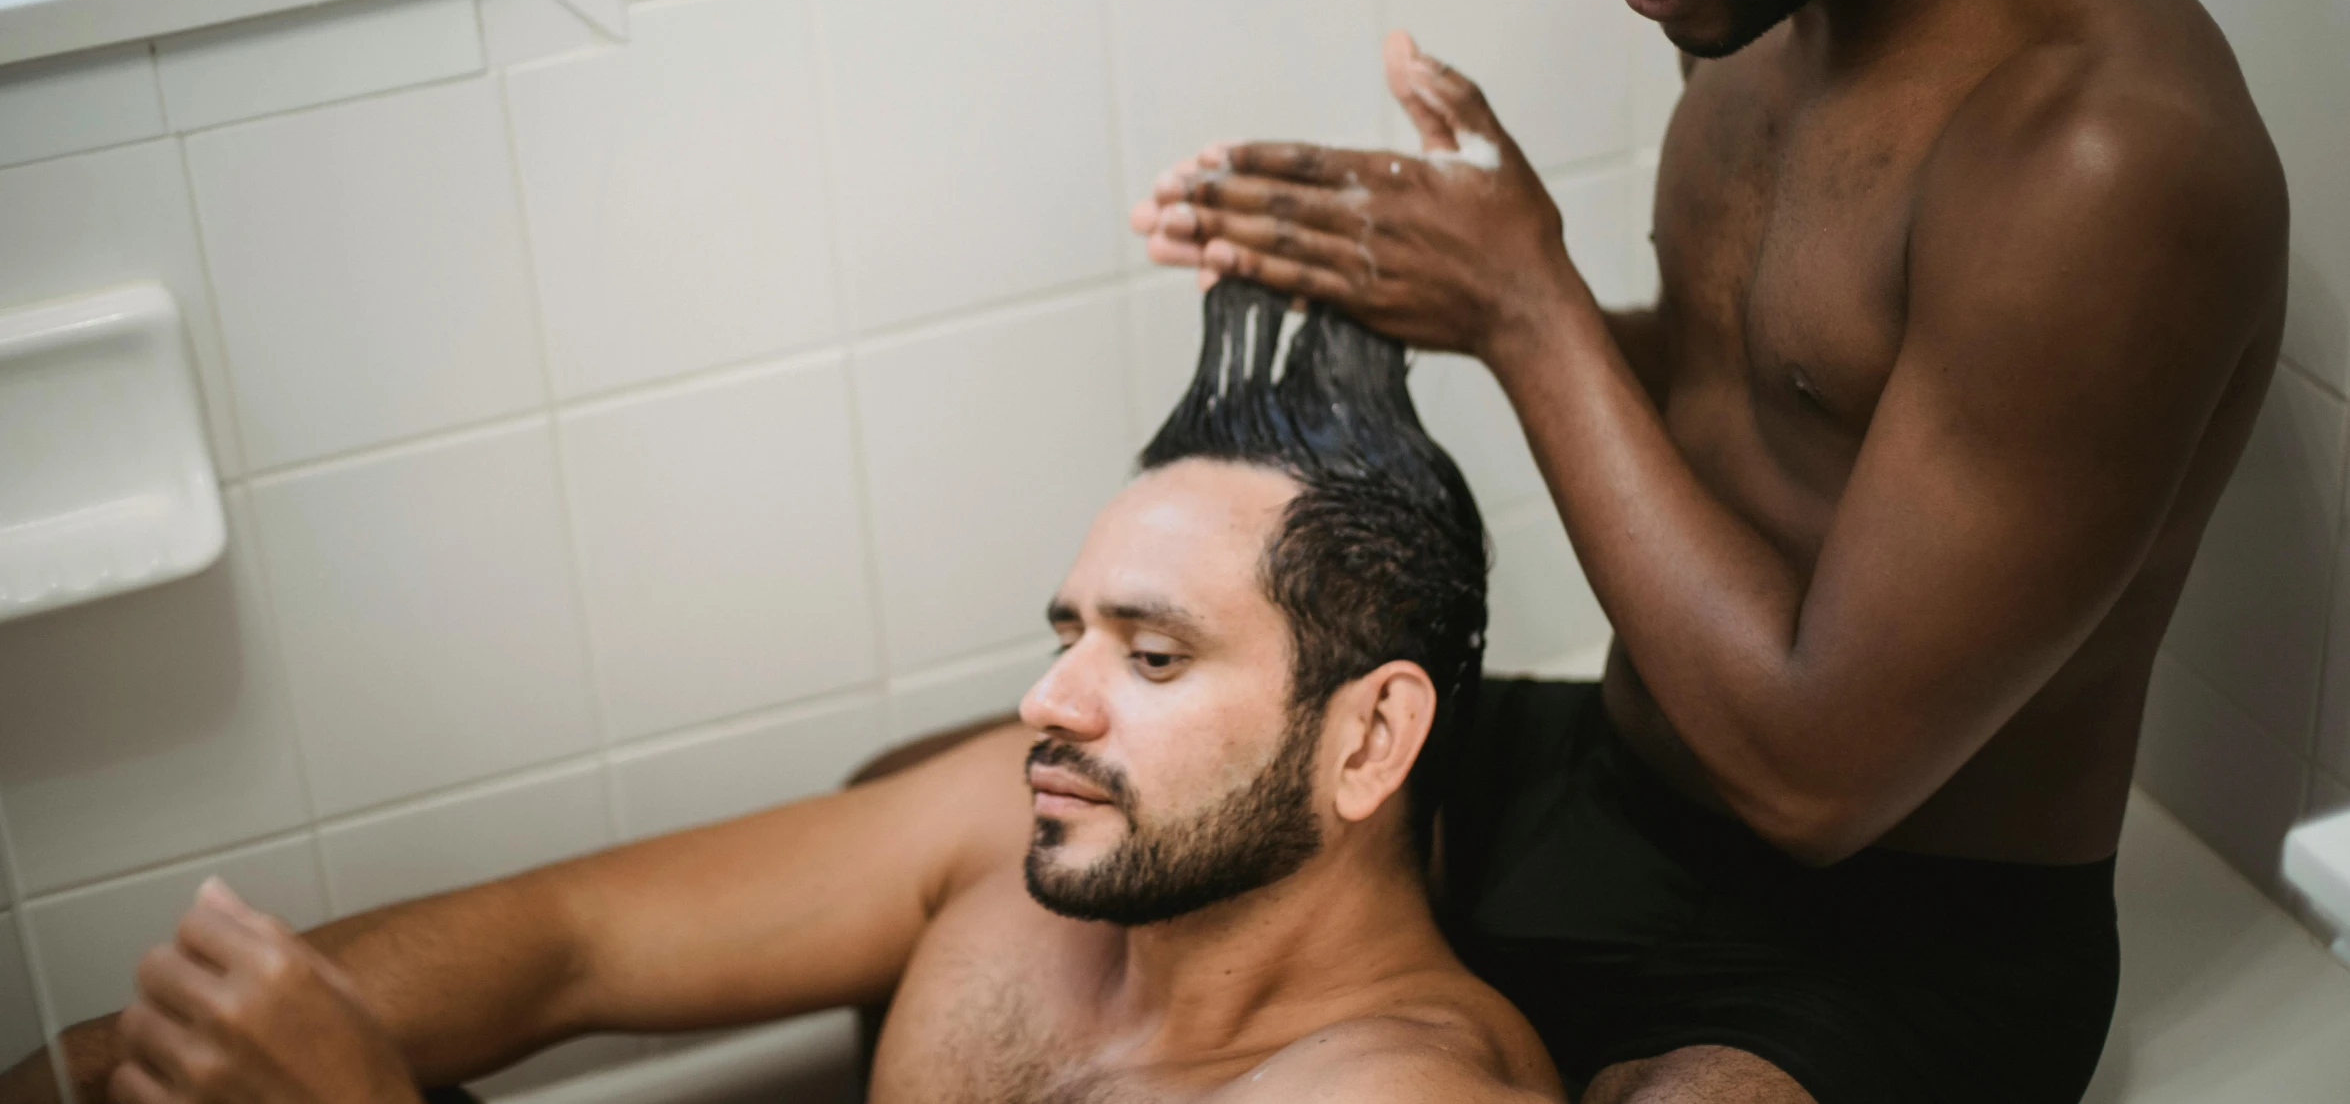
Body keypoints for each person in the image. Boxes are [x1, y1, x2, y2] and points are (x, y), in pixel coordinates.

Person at [1132, 0, 2289, 1102]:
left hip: (1897, 950)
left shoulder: (2095, 155)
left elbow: (1819, 777)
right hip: (1622, 789)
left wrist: (1525, 304)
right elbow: (1738, 385)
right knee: (1022, 825)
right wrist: (1433, 285)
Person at [0, 282, 1559, 1104]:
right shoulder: (1040, 846)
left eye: (1149, 656)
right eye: (1067, 631)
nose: (1049, 700)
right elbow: (566, 944)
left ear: (1367, 737)